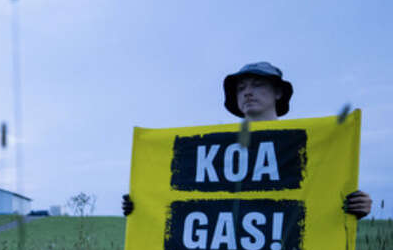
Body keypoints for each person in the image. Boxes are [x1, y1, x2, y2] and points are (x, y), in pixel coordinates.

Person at [122, 61, 371, 218]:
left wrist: (357, 206)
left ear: (278, 92)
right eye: (241, 89)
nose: (248, 92)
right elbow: (188, 197)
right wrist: (141, 207)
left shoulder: (306, 144)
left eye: (257, 85)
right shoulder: (211, 148)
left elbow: (320, 193)